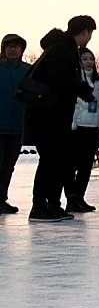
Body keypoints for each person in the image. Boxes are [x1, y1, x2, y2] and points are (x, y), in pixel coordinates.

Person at [26, 16, 96, 222]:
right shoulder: (60, 50)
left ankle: (52, 204)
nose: (89, 38)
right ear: (83, 31)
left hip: (55, 115)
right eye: (90, 33)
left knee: (57, 160)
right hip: (48, 116)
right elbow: (59, 81)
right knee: (50, 160)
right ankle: (39, 205)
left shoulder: (65, 49)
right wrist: (80, 88)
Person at [65, 47, 99, 213]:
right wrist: (72, 123)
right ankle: (71, 198)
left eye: (91, 59)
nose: (89, 62)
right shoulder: (75, 81)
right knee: (71, 165)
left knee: (86, 165)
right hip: (77, 128)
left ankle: (80, 197)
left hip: (92, 127)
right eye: (84, 59)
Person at [0, 34, 30, 214]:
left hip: (18, 125)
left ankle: (2, 198)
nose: (12, 50)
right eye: (9, 46)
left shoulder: (28, 70)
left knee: (8, 165)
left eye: (16, 46)